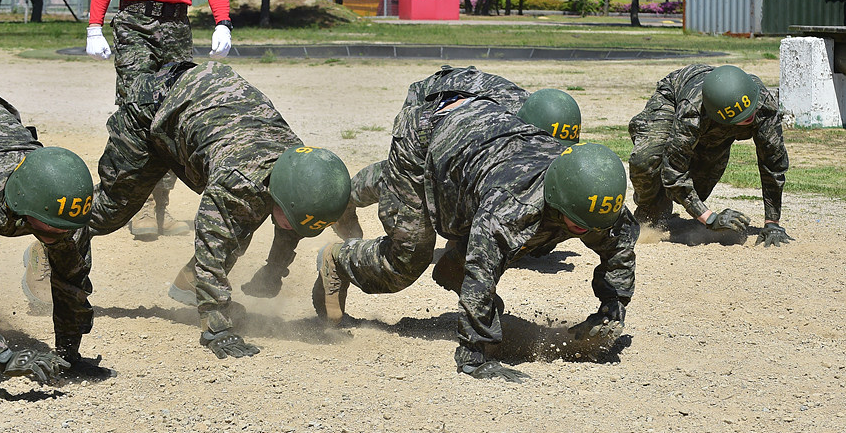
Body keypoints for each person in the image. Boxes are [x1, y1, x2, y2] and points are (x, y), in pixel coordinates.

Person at [24, 61, 351, 359]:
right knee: (110, 210)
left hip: (193, 113)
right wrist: (218, 325)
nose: (291, 230)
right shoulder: (238, 180)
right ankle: (48, 243)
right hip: (149, 112)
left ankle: (187, 282)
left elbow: (292, 219)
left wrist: (273, 271)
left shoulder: (298, 167)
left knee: (245, 219)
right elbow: (211, 244)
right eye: (292, 222)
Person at [312, 83, 637, 381]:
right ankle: (339, 258)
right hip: (424, 136)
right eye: (573, 221)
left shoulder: (594, 195)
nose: (580, 230)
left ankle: (454, 265)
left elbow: (619, 246)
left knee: (529, 233)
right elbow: (484, 269)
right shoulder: (511, 204)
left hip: (473, 145)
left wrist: (611, 310)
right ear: (555, 195)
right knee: (407, 259)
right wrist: (476, 353)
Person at [85, 0, 233, 239]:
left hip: (176, 27)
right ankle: (141, 204)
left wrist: (223, 22)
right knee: (137, 109)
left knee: (171, 116)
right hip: (134, 24)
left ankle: (160, 206)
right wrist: (94, 26)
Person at [0, 76, 108, 385]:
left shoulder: (62, 207)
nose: (63, 235)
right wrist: (2, 356)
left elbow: (71, 279)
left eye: (67, 229)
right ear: (25, 208)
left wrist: (68, 354)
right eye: (53, 228)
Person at [326, 65, 582, 243]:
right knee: (413, 181)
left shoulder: (544, 119)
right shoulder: (507, 129)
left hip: (466, 96)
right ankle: (344, 200)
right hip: (434, 103)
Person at [628, 64, 791, 247]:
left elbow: (773, 162)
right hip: (674, 98)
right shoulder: (692, 112)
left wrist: (772, 223)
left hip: (716, 120)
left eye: (749, 113)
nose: (749, 117)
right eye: (741, 118)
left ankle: (666, 210)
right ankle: (649, 211)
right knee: (646, 159)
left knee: (699, 187)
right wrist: (711, 219)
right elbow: (674, 170)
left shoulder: (761, 102)